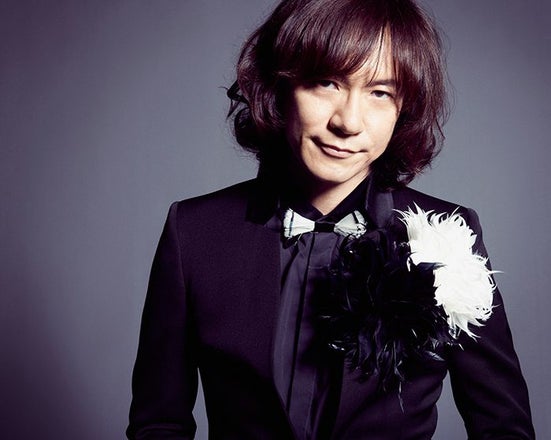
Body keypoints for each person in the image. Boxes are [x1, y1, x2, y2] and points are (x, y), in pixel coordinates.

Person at [127, 0, 535, 438]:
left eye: (380, 93)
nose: (349, 122)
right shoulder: (195, 232)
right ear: (279, 86)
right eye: (326, 83)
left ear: (403, 109)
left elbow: (503, 428)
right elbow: (158, 423)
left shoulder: (450, 235)